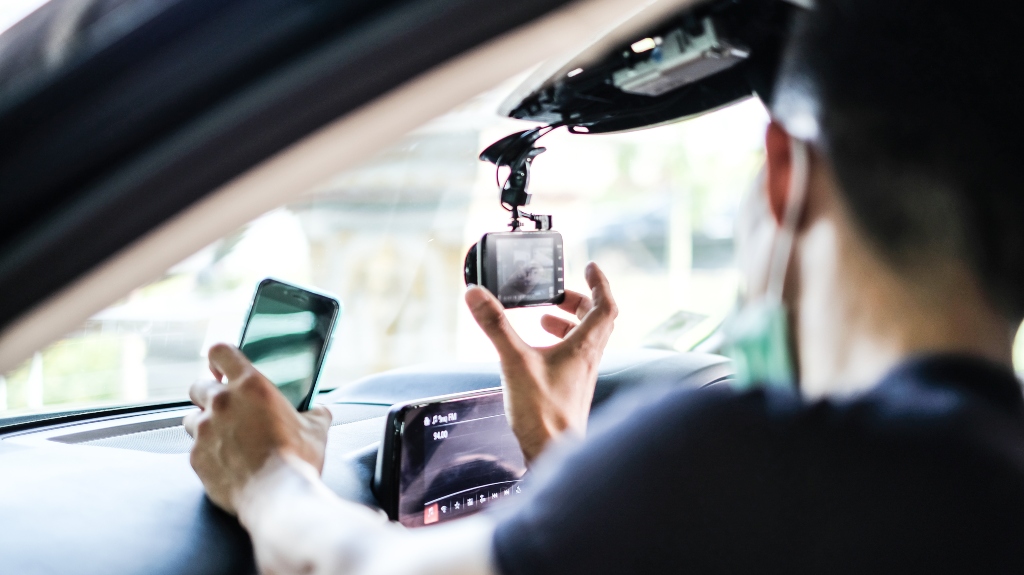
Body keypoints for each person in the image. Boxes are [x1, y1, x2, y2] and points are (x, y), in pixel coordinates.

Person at [184, 0, 1024, 572]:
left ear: (786, 175)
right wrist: (558, 444)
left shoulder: (755, 460)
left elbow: (366, 567)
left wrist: (266, 472)